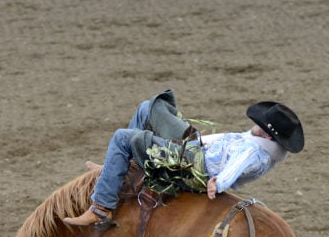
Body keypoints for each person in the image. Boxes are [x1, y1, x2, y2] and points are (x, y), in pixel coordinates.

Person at [63, 90, 304, 227]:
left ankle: (101, 207)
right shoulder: (261, 146)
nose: (256, 126)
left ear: (269, 136)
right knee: (148, 108)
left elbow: (236, 167)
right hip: (195, 148)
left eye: (262, 126)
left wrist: (218, 183)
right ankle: (119, 169)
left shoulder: (254, 152)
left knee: (123, 138)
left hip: (192, 165)